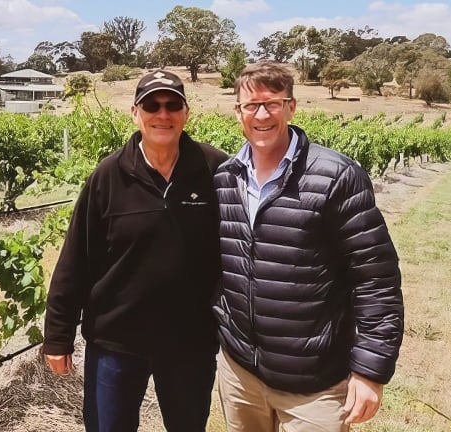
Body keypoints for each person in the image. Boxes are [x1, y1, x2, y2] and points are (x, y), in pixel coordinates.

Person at [211, 60, 404, 431]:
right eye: (251, 105)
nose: (262, 114)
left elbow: (375, 279)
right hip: (241, 374)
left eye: (273, 103)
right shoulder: (225, 178)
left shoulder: (335, 176)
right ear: (238, 112)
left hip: (315, 382)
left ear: (291, 106)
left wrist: (370, 369)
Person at [43, 69, 229, 432]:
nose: (163, 114)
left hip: (190, 341)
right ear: (135, 113)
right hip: (116, 341)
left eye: (173, 105)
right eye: (152, 105)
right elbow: (76, 259)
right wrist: (58, 335)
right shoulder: (108, 176)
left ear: (186, 113)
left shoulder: (214, 170)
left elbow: (235, 250)